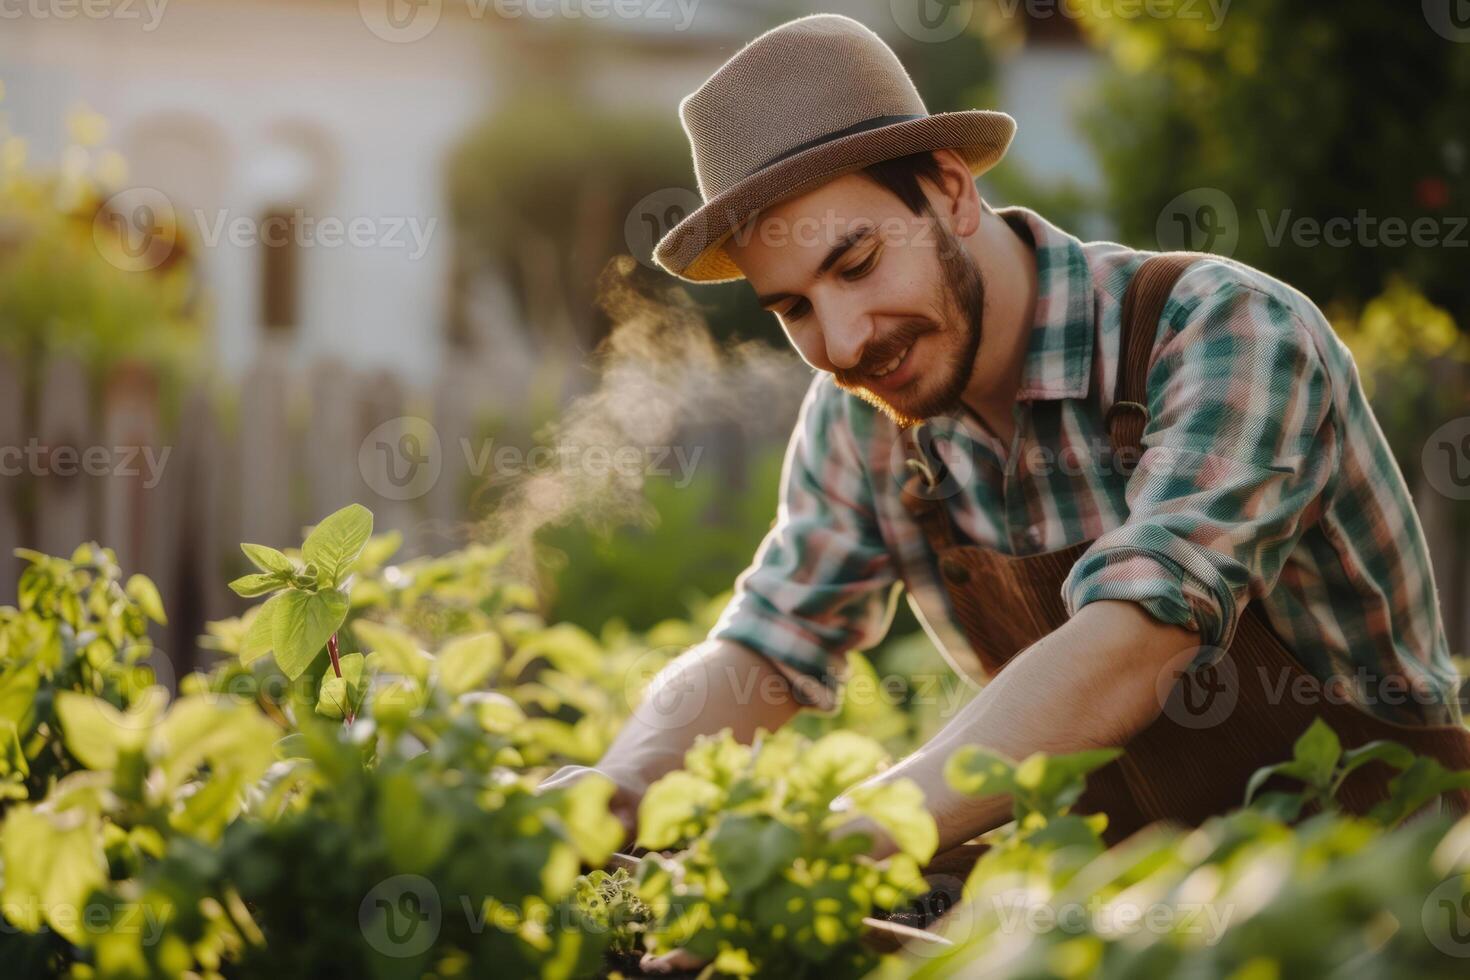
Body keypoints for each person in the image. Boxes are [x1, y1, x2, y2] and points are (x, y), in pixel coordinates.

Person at [540, 10, 1470, 915]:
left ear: (949, 188)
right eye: (793, 311)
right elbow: (771, 641)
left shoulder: (1221, 331)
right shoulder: (865, 416)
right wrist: (619, 789)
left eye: (857, 264)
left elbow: (1139, 636)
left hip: (1379, 895)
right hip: (1130, 911)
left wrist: (853, 831)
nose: (844, 339)